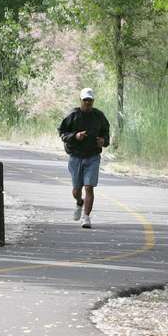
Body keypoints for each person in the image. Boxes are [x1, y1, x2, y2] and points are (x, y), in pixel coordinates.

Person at [58, 87, 110, 229]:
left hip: (93, 156)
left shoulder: (99, 116)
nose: (87, 103)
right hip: (75, 156)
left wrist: (103, 141)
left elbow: (106, 134)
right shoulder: (73, 115)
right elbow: (62, 132)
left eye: (90, 100)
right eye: (85, 100)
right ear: (80, 100)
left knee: (89, 187)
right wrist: (75, 136)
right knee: (76, 190)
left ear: (93, 101)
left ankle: (86, 217)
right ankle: (79, 202)